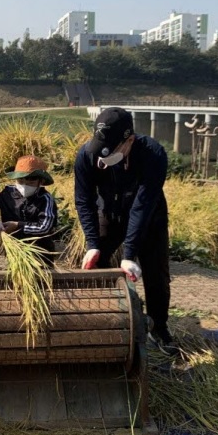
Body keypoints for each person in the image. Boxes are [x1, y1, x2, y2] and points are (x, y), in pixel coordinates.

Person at [74, 107, 176, 355]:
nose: (103, 158)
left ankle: (158, 328)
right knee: (96, 263)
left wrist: (129, 254)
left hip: (148, 215)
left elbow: (142, 206)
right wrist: (92, 244)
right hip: (110, 211)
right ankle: (103, 320)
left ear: (129, 140)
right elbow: (84, 200)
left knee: (156, 274)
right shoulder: (86, 155)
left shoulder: (153, 154)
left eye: (111, 151)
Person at [0, 155, 58, 265]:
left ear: (41, 181)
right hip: (14, 251)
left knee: (41, 280)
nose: (25, 185)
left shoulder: (45, 199)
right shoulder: (7, 193)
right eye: (21, 181)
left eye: (31, 182)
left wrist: (18, 225)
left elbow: (44, 227)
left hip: (41, 253)